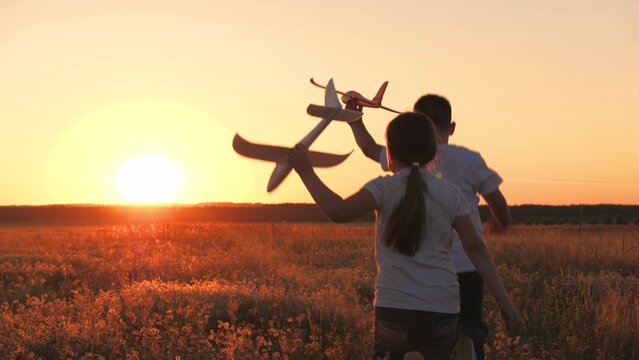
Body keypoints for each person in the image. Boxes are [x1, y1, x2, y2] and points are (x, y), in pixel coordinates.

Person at [288, 112, 524, 360]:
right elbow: (475, 247)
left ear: (389, 154)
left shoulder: (382, 188)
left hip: (394, 307)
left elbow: (338, 210)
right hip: (441, 307)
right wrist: (505, 305)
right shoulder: (451, 193)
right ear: (433, 153)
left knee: (391, 353)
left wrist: (306, 172)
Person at [347, 94, 511, 359]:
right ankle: (467, 339)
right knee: (468, 322)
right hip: (469, 266)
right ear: (451, 127)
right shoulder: (469, 159)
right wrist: (502, 223)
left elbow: (367, 147)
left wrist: (354, 119)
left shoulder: (403, 155)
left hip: (419, 272)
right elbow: (498, 202)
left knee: (402, 342)